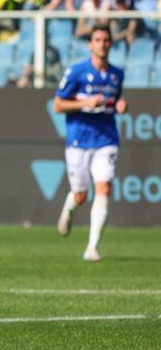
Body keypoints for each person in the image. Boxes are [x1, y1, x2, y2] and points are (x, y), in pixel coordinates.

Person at [53, 25, 126, 262]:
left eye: (106, 40)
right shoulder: (76, 72)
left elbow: (113, 102)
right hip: (79, 140)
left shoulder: (117, 74)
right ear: (90, 44)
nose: (102, 44)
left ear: (110, 44)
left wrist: (120, 105)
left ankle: (92, 247)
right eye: (97, 40)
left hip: (106, 139)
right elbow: (58, 105)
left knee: (104, 188)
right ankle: (69, 209)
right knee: (81, 194)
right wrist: (86, 103)